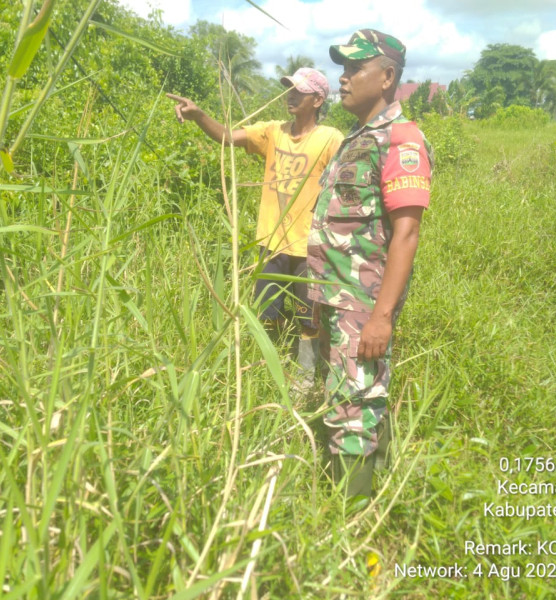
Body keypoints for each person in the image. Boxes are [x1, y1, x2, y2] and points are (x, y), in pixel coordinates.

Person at [307, 30, 433, 497]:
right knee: (341, 399)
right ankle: (344, 498)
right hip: (336, 302)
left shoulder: (401, 140)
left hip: (363, 305)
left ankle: (352, 523)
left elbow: (407, 233)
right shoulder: (355, 139)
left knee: (355, 406)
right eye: (342, 69)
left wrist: (380, 318)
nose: (343, 79)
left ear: (387, 77)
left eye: (354, 69)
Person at [168, 68, 343, 393]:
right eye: (289, 88)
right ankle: (269, 366)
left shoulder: (330, 138)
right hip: (271, 242)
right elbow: (227, 137)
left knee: (307, 318)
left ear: (318, 100)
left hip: (309, 247)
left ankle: (305, 377)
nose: (290, 95)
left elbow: (346, 183)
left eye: (298, 91)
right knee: (268, 312)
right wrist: (200, 115)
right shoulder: (272, 132)